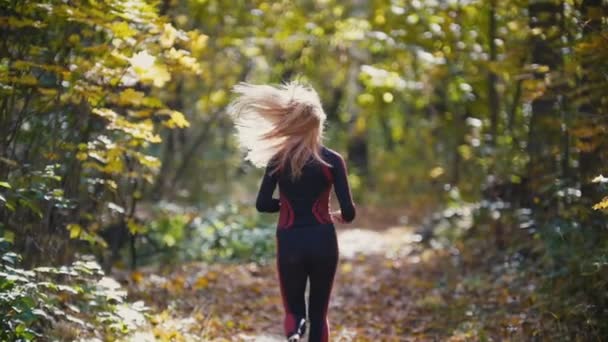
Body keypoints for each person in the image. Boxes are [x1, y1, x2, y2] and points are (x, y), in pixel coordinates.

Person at [227, 80, 356, 342]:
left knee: (294, 310)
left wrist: (286, 205)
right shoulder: (332, 160)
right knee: (319, 314)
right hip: (322, 239)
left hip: (290, 240)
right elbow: (349, 212)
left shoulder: (278, 159)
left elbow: (263, 204)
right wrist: (340, 215)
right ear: (318, 124)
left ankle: (295, 335)